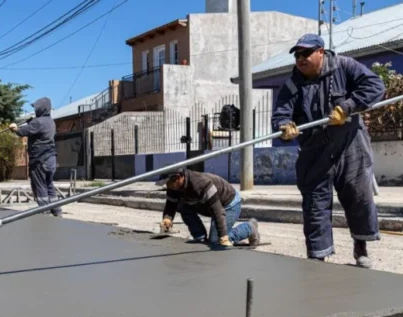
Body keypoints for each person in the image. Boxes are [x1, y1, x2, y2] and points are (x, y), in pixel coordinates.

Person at [271, 34, 385, 268]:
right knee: (315, 204)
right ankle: (318, 256)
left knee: (358, 198)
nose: (300, 59)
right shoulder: (291, 85)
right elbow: (281, 115)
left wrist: (348, 107)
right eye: (297, 55)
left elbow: (375, 86)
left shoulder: (344, 66)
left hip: (350, 144)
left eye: (306, 54)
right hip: (314, 150)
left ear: (321, 52)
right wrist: (284, 128)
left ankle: (360, 245)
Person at [160, 169, 260, 248]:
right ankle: (200, 236)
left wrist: (223, 236)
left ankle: (249, 227)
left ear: (178, 178)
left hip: (228, 204)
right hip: (208, 205)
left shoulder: (199, 183)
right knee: (182, 206)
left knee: (216, 241)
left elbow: (217, 210)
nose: (167, 186)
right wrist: (167, 218)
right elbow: (171, 204)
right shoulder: (173, 187)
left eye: (168, 182)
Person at [10, 97, 61, 216]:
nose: (35, 110)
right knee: (49, 186)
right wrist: (30, 122)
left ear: (41, 109)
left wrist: (14, 128)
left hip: (40, 159)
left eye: (36, 108)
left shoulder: (38, 122)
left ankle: (45, 212)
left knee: (40, 186)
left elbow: (23, 132)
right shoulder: (50, 122)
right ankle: (56, 211)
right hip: (51, 159)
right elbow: (35, 129)